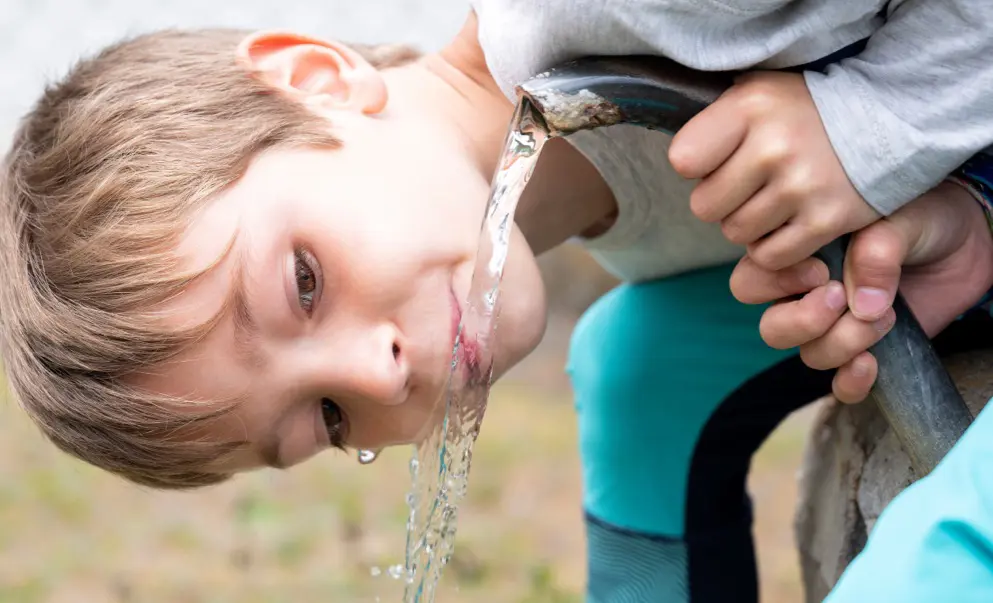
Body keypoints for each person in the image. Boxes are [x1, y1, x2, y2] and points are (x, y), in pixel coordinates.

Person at [0, 1, 991, 601]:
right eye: (329, 419)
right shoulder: (592, 187)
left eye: (304, 283)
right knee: (639, 368)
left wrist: (868, 126)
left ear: (319, 82)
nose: (377, 374)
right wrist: (957, 217)